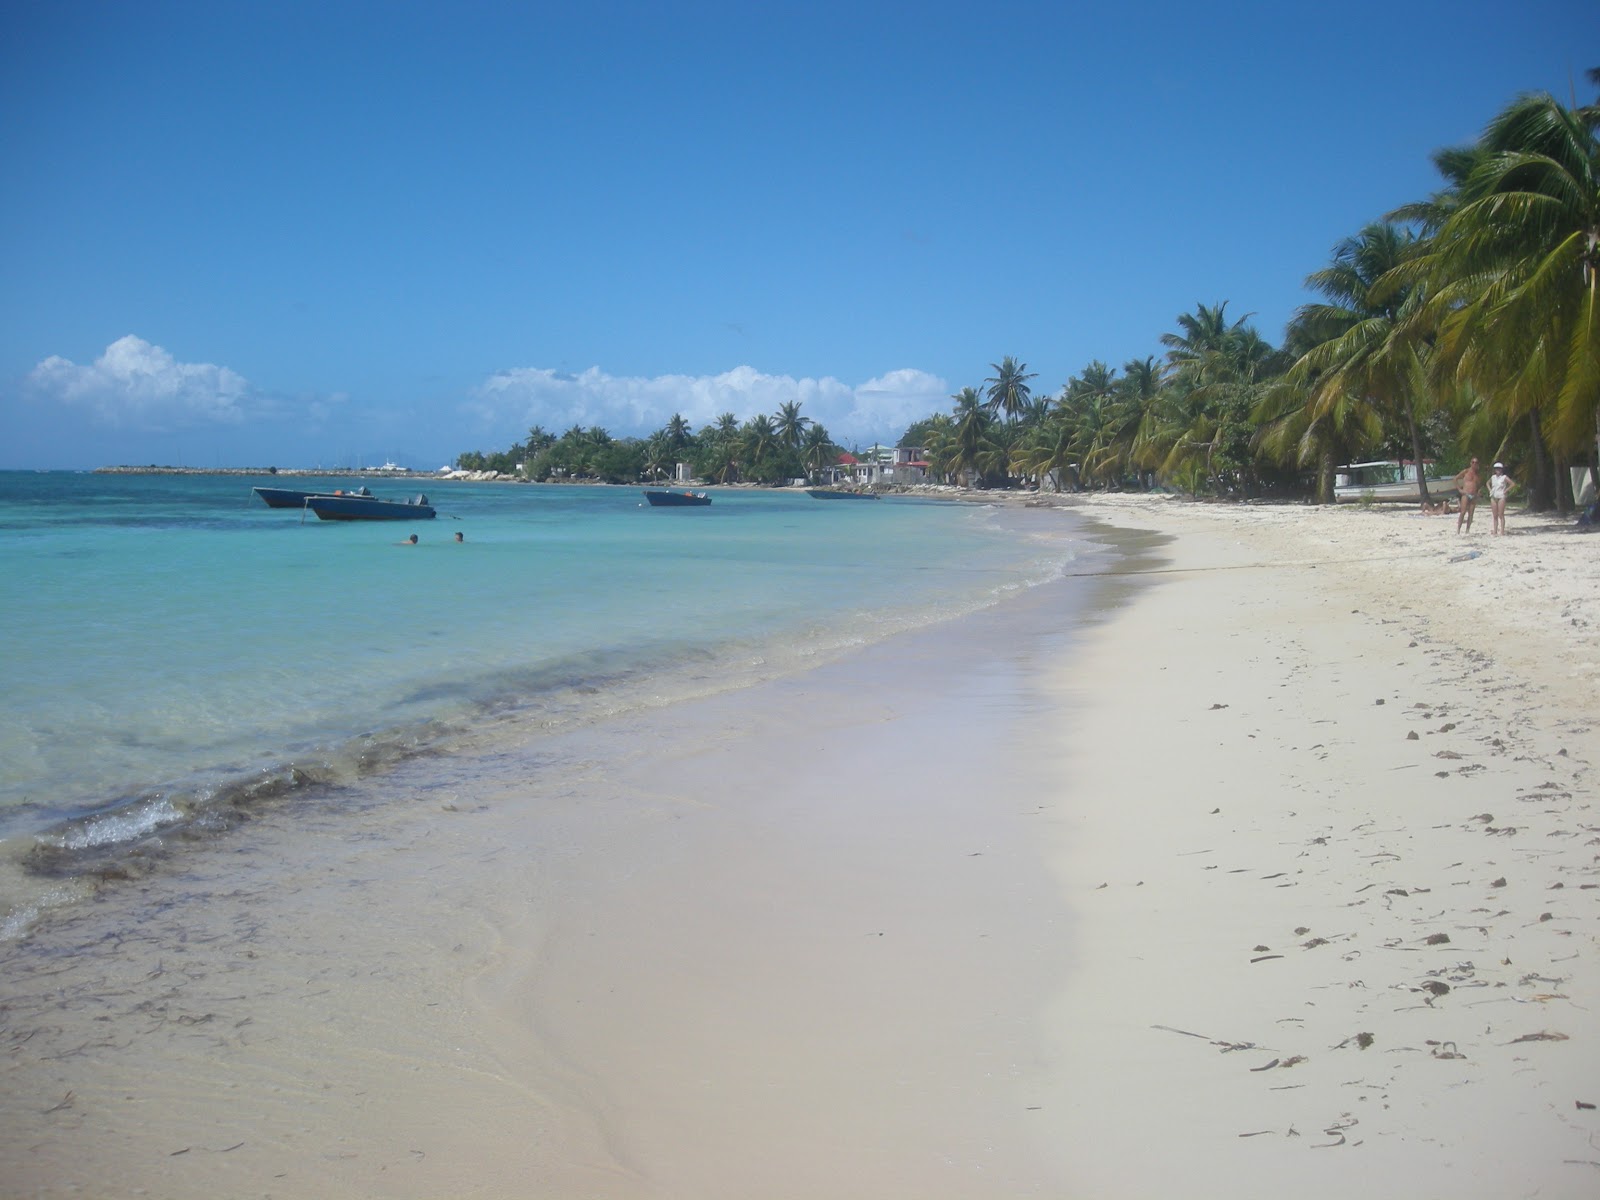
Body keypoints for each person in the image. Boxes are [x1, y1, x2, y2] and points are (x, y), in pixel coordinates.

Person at [1488, 461, 1518, 535]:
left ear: (1502, 469)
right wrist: (1490, 490)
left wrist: (1506, 490)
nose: (1498, 470)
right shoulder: (1493, 477)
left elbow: (1512, 484)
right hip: (1493, 496)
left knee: (1501, 514)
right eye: (1496, 469)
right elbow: (1487, 483)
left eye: (1499, 469)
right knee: (1495, 515)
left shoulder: (1504, 477)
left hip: (1501, 496)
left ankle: (1502, 531)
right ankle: (1495, 531)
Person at [1453, 457, 1482, 533]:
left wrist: (1478, 492)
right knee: (1463, 512)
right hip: (1466, 494)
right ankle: (1458, 529)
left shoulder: (1478, 475)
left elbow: (1479, 485)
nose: (1474, 464)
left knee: (1471, 513)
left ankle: (1467, 530)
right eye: (1473, 462)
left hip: (1474, 495)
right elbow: (1455, 479)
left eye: (1476, 462)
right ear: (1470, 463)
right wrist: (1460, 489)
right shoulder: (1466, 471)